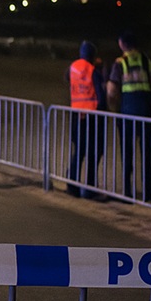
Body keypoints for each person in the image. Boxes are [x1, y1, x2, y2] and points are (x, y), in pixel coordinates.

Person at [106, 31, 151, 202]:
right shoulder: (147, 60)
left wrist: (113, 105)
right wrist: (147, 99)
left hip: (127, 112)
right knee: (146, 154)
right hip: (145, 110)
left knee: (127, 153)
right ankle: (148, 193)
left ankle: (127, 193)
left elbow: (111, 90)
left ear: (122, 44)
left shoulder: (120, 63)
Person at [66, 40, 107, 199]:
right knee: (94, 152)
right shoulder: (93, 70)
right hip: (92, 117)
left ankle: (72, 185)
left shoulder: (72, 68)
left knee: (79, 151)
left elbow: (70, 83)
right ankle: (89, 188)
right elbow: (100, 96)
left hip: (77, 115)